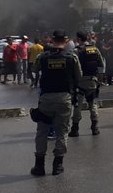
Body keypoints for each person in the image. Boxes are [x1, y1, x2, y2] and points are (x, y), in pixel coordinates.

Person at [29, 30, 82, 176]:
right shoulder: (72, 57)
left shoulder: (43, 57)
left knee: (42, 131)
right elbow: (79, 76)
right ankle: (58, 165)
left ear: (52, 40)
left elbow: (34, 69)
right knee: (62, 131)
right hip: (64, 98)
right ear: (65, 40)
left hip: (46, 98)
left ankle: (39, 166)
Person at [70, 31, 106, 137]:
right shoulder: (95, 49)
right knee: (93, 104)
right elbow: (101, 65)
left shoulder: (76, 51)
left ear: (79, 39)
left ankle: (75, 129)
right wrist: (100, 79)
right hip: (92, 81)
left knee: (77, 105)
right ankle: (95, 127)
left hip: (80, 82)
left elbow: (72, 67)